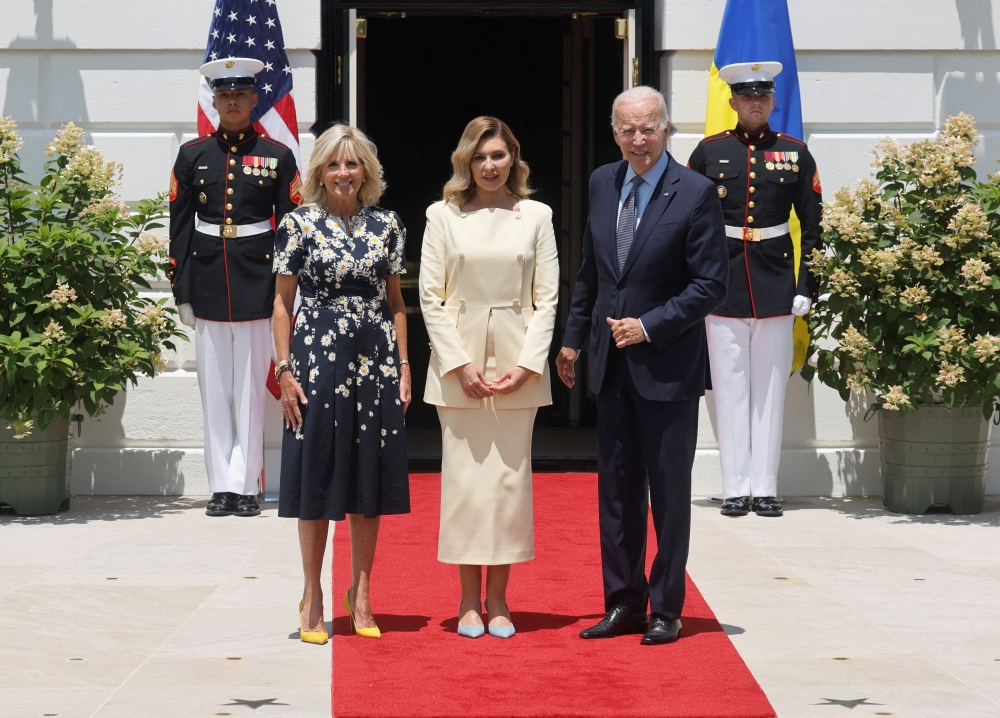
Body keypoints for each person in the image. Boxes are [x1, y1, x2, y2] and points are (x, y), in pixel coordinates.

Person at [557, 86, 727, 646]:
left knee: (669, 496)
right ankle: (622, 602)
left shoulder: (696, 192)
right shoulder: (602, 182)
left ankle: (665, 608)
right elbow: (593, 273)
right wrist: (572, 340)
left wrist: (650, 325)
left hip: (668, 367)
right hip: (610, 367)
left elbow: (709, 284)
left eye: (648, 128)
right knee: (617, 493)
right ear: (614, 132)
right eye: (627, 129)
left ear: (666, 128)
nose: (638, 139)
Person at [420, 117, 559, 639]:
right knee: (465, 484)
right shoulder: (442, 215)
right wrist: (459, 363)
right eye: (480, 157)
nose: (490, 166)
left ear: (514, 158)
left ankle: (499, 600)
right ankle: (466, 602)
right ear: (465, 163)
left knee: (506, 483)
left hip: (519, 364)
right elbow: (430, 298)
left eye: (498, 155)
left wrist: (528, 364)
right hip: (459, 363)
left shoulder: (537, 215)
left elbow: (548, 298)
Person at [272, 124, 410, 643]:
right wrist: (284, 371)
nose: (343, 173)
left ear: (366, 171)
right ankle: (313, 594)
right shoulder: (298, 224)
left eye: (352, 164)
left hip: (374, 360)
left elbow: (396, 303)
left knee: (366, 478)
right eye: (333, 164)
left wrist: (404, 367)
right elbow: (283, 304)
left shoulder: (388, 224)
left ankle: (364, 593)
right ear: (319, 172)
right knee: (318, 474)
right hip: (315, 361)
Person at [687, 62, 823, 519]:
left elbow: (814, 226)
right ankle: (734, 488)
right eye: (747, 97)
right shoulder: (709, 152)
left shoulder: (795, 153)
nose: (756, 103)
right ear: (733, 102)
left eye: (763, 96)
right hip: (721, 284)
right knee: (727, 388)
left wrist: (809, 285)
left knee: (769, 388)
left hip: (776, 283)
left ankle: (765, 486)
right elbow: (689, 224)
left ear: (773, 101)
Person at [168, 58, 300, 518]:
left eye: (240, 94)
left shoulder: (278, 156)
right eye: (224, 95)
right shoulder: (192, 155)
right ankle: (220, 485)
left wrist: (289, 290)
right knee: (215, 388)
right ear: (215, 101)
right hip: (206, 279)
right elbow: (180, 226)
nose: (232, 101)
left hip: (258, 281)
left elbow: (290, 227)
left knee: (247, 388)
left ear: (253, 99)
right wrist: (181, 288)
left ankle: (246, 486)